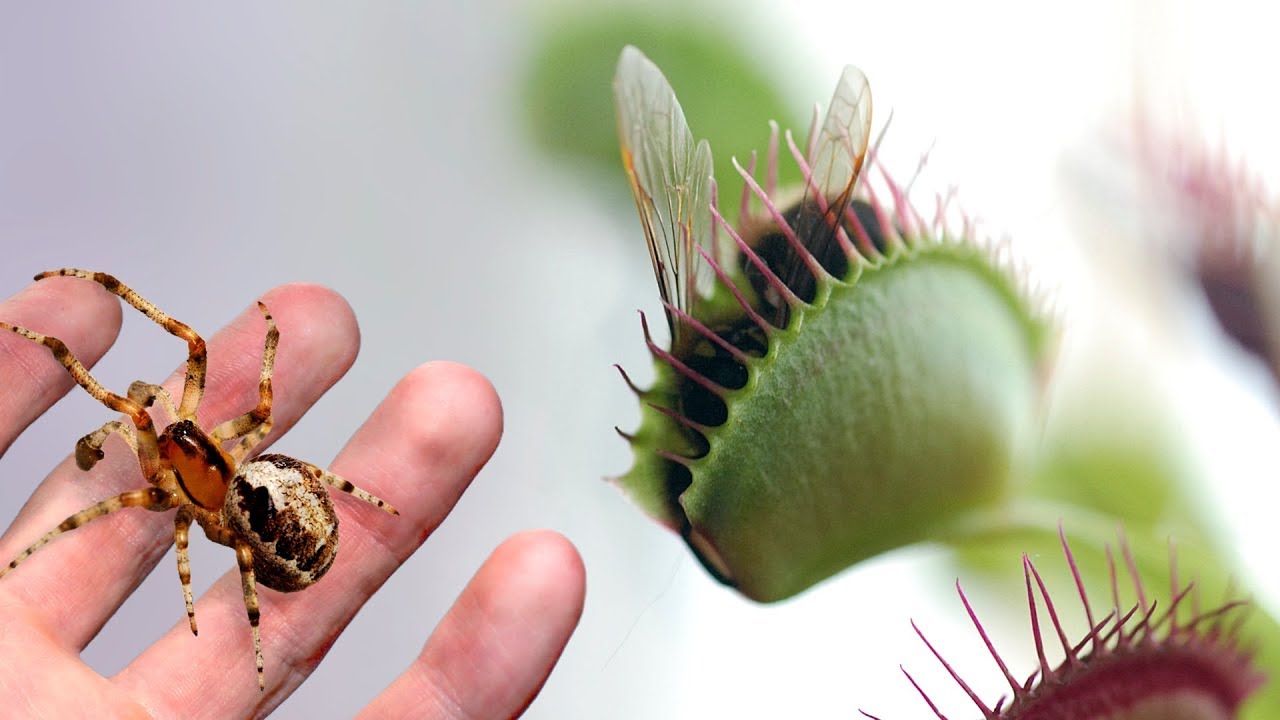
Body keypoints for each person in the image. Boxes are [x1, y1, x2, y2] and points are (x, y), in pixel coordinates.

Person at [0, 276, 586, 718]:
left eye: (186, 431)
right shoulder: (205, 461)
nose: (180, 430)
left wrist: (267, 344)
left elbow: (142, 491)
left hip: (275, 525)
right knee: (197, 449)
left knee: (184, 392)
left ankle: (270, 619)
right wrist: (268, 345)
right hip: (270, 505)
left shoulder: (181, 495)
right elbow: (252, 406)